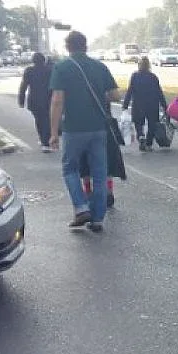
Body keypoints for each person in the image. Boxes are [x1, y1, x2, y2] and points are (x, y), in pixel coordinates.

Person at [49, 31, 121, 232]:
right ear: (86, 45)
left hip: (74, 128)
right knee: (100, 172)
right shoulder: (100, 66)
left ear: (68, 47)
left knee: (70, 168)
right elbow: (115, 95)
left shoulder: (62, 67)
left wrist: (54, 132)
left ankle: (81, 208)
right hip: (99, 128)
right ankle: (97, 218)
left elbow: (57, 101)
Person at [123, 57, 168, 152]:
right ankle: (148, 143)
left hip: (138, 104)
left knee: (138, 123)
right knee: (152, 124)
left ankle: (141, 136)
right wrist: (165, 107)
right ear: (149, 66)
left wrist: (125, 105)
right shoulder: (153, 77)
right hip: (152, 105)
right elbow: (159, 93)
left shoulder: (135, 76)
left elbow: (130, 91)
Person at [18, 52, 54, 152]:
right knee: (47, 120)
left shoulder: (29, 71)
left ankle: (43, 140)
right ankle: (45, 142)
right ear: (44, 60)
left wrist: (21, 100)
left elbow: (23, 86)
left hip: (34, 100)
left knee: (39, 120)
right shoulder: (50, 70)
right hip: (48, 99)